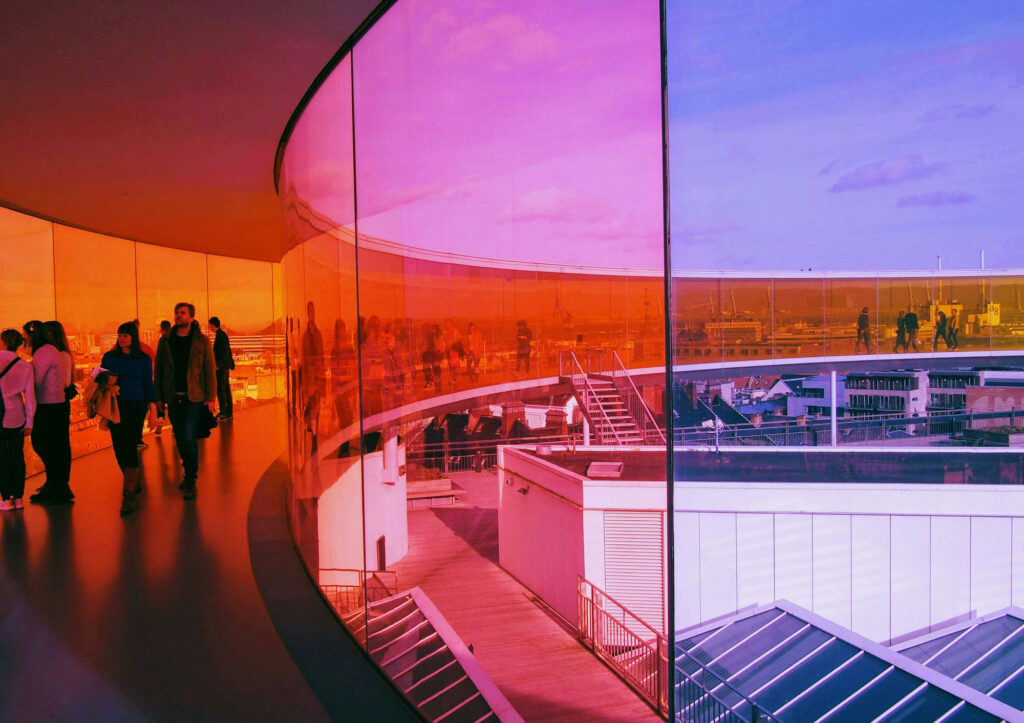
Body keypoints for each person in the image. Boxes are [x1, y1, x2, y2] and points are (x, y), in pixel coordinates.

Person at [154, 302, 216, 500]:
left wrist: (210, 398)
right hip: (173, 397)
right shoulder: (165, 341)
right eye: (176, 313)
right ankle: (188, 472)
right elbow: (159, 371)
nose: (178, 316)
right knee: (180, 438)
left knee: (189, 437)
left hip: (194, 398)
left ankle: (190, 477)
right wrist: (159, 399)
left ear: (190, 317)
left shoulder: (201, 341)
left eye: (182, 313)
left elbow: (209, 370)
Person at [101, 322, 157, 515]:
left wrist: (153, 410)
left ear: (133, 337)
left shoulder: (143, 359)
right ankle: (133, 482)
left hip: (136, 405)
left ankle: (129, 493)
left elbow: (148, 385)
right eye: (119, 335)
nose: (121, 338)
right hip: (115, 406)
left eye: (125, 335)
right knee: (118, 447)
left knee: (130, 444)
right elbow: (97, 376)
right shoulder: (109, 357)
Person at [29, 321, 75, 505]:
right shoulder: (64, 354)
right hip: (61, 404)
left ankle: (53, 484)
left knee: (42, 443)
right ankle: (59, 485)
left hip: (46, 405)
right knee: (60, 446)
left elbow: (36, 380)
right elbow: (65, 381)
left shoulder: (45, 352)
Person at [0, 329, 35, 511]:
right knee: (17, 457)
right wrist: (29, 421)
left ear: (3, 343)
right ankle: (19, 498)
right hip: (17, 416)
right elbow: (30, 397)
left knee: (2, 459)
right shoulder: (26, 366)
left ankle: (6, 499)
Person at [300, 301, 325, 452]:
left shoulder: (317, 334)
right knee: (312, 411)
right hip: (310, 381)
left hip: (315, 380)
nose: (312, 314)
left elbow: (320, 357)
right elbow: (305, 359)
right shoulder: (305, 336)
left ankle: (314, 438)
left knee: (315, 410)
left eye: (313, 311)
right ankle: (313, 437)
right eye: (310, 311)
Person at [209, 316, 235, 421]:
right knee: (225, 388)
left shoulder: (220, 336)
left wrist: (218, 365)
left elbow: (223, 353)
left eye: (210, 324)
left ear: (213, 324)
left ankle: (224, 412)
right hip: (224, 366)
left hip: (221, 367)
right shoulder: (222, 335)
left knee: (221, 388)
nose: (209, 327)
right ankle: (228, 412)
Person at [154, 320, 172, 434]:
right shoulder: (175, 339)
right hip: (172, 376)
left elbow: (158, 361)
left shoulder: (162, 340)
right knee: (173, 402)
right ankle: (175, 426)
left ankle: (160, 419)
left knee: (160, 398)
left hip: (163, 375)